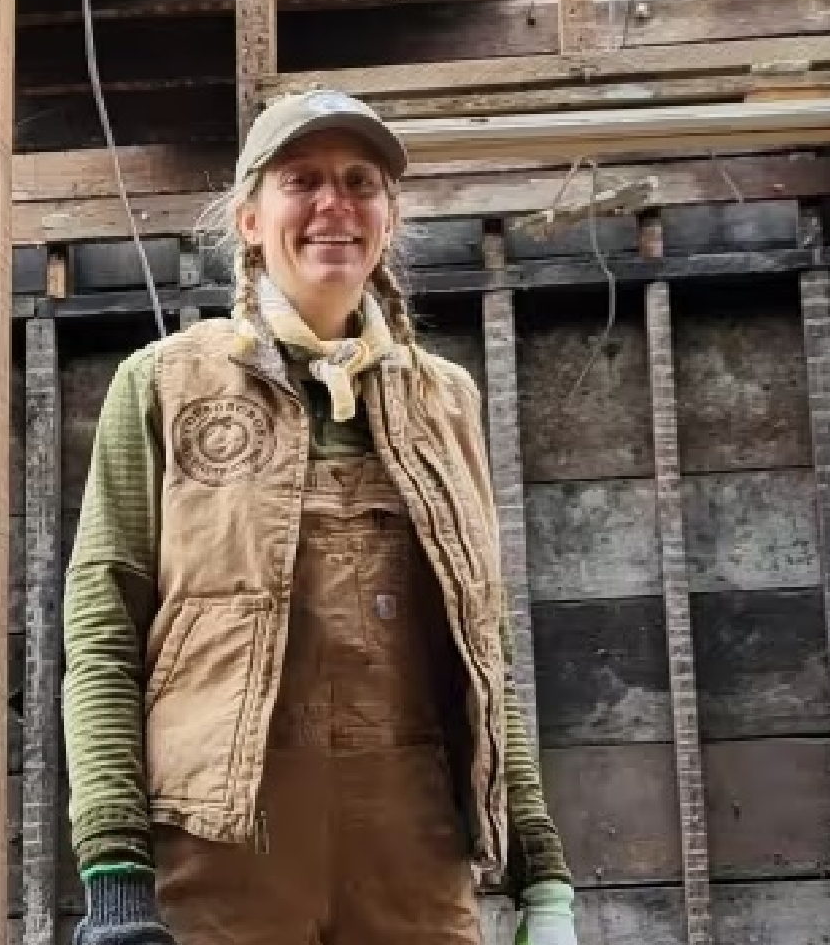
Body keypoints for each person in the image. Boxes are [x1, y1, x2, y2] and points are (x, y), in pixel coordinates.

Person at [63, 88, 578, 945]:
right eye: (302, 180)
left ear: (387, 219)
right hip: (224, 857)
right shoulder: (162, 385)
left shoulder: (445, 401)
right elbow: (104, 634)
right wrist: (115, 875)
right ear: (252, 219)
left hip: (416, 862)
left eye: (360, 181)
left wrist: (543, 874)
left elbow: (486, 652)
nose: (334, 204)